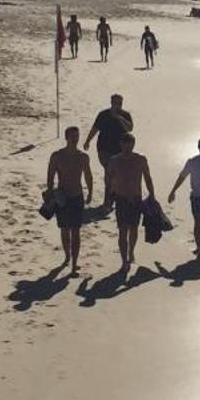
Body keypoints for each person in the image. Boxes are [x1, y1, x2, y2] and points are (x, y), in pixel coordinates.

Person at [103, 131, 156, 274]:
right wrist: (108, 198)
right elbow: (107, 180)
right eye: (126, 146)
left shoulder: (140, 159)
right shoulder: (114, 160)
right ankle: (124, 260)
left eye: (131, 146)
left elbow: (148, 178)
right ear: (121, 145)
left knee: (133, 228)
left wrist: (152, 195)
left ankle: (131, 251)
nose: (128, 149)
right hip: (121, 199)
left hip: (136, 199)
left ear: (134, 145)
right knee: (122, 230)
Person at [43, 126, 94, 270]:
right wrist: (50, 192)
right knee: (64, 229)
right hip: (62, 197)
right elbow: (50, 175)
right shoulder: (57, 156)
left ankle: (74, 262)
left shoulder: (83, 157)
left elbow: (88, 175)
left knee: (76, 230)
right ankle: (67, 256)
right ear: (66, 138)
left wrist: (90, 192)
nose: (75, 139)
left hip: (77, 196)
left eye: (77, 136)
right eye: (72, 136)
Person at [84, 94, 133, 205]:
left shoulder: (125, 115)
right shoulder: (103, 114)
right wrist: (88, 141)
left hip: (119, 149)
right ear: (111, 102)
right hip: (103, 147)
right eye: (116, 103)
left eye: (120, 103)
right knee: (109, 170)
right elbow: (95, 128)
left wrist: (120, 118)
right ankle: (108, 199)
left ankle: (112, 195)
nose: (118, 105)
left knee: (114, 174)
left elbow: (130, 128)